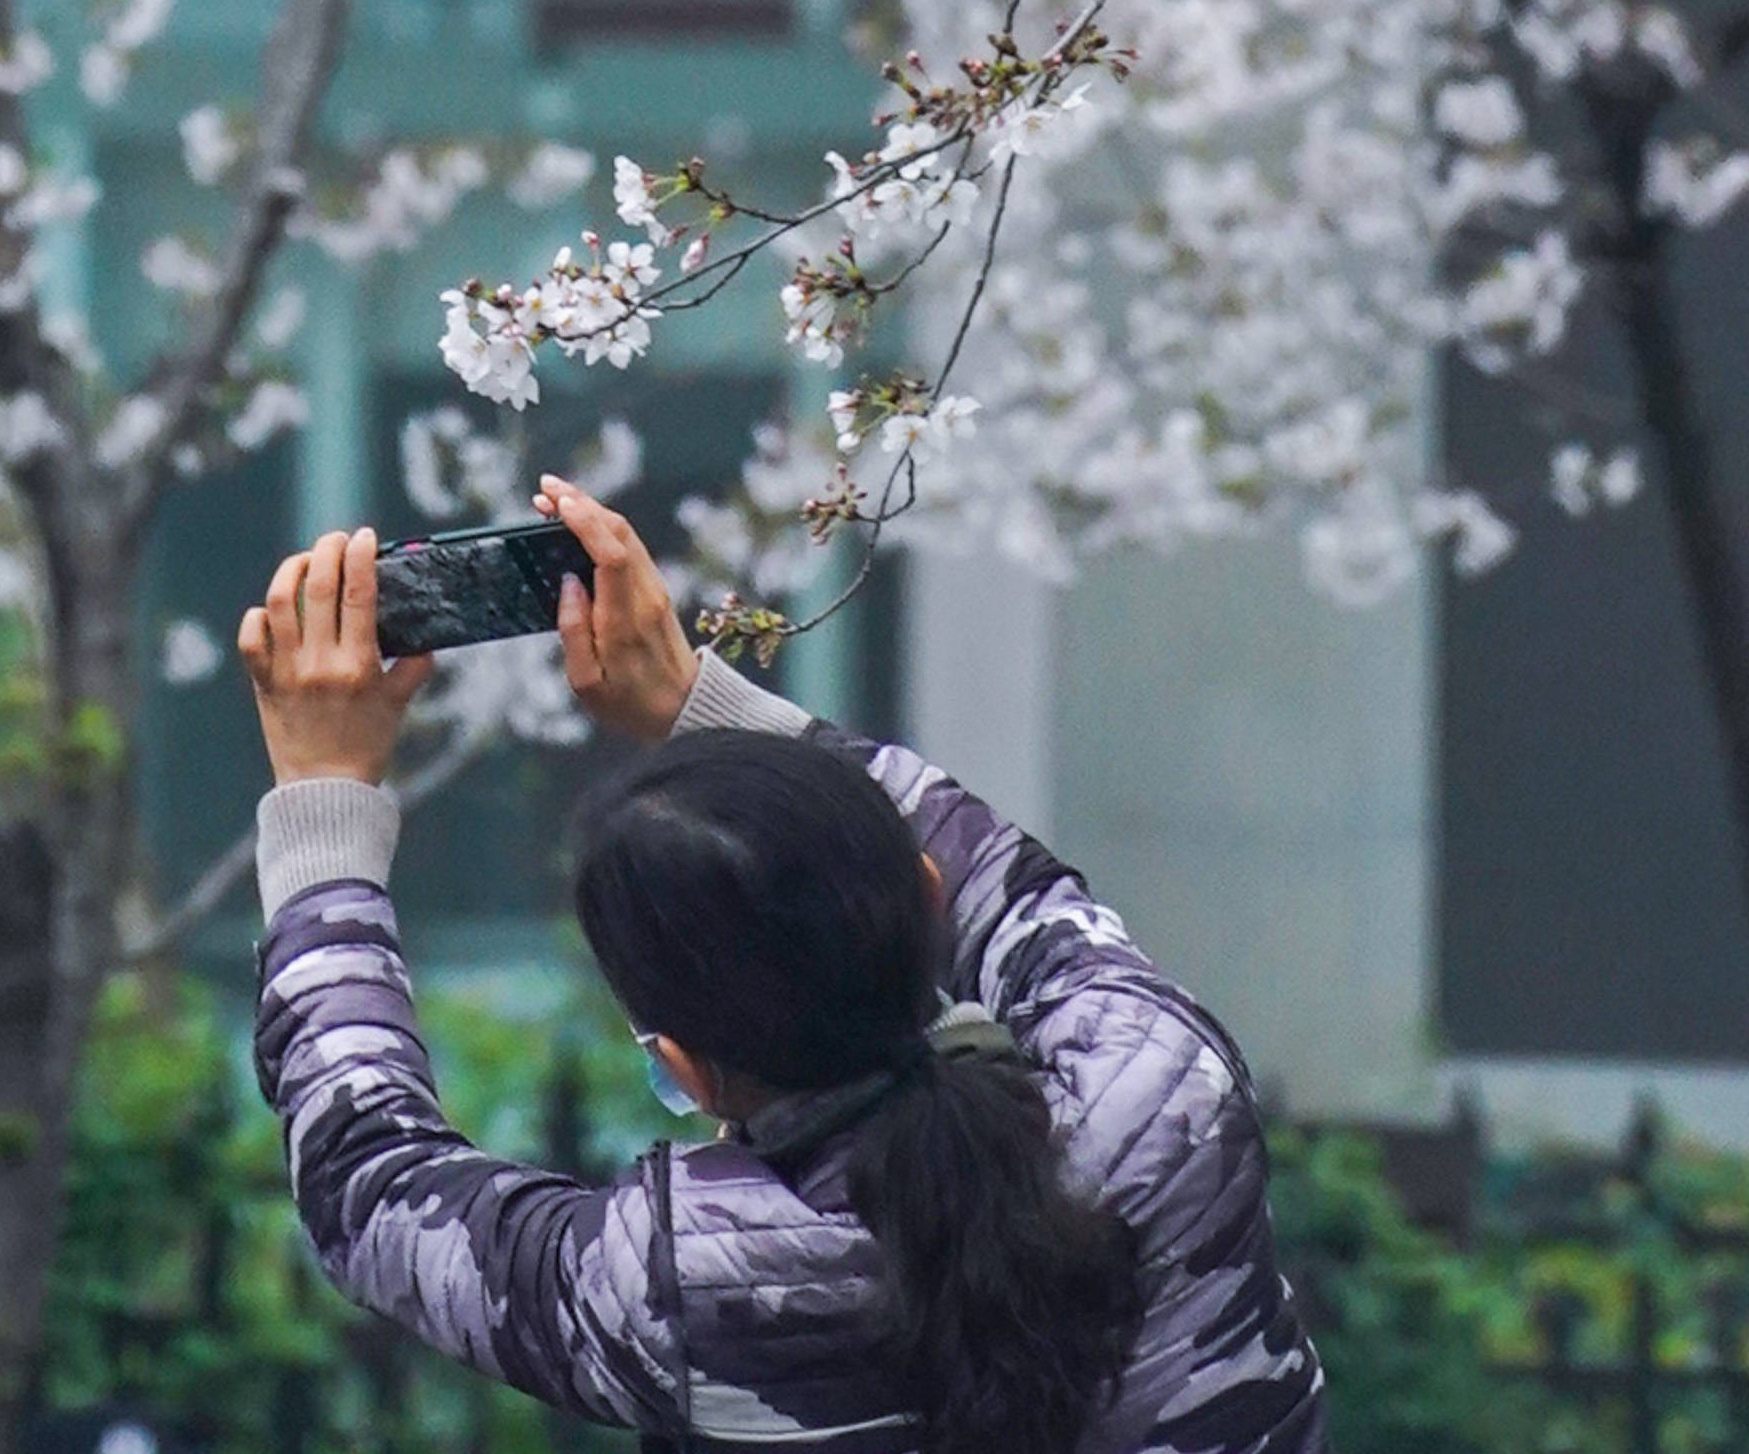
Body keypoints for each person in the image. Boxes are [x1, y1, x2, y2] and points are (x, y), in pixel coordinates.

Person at [241, 474, 1330, 1454]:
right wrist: (700, 705)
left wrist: (323, 795)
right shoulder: (1159, 1089)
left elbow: (374, 1183)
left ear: (687, 1066)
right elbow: (1021, 892)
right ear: (928, 898)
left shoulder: (685, 1284)